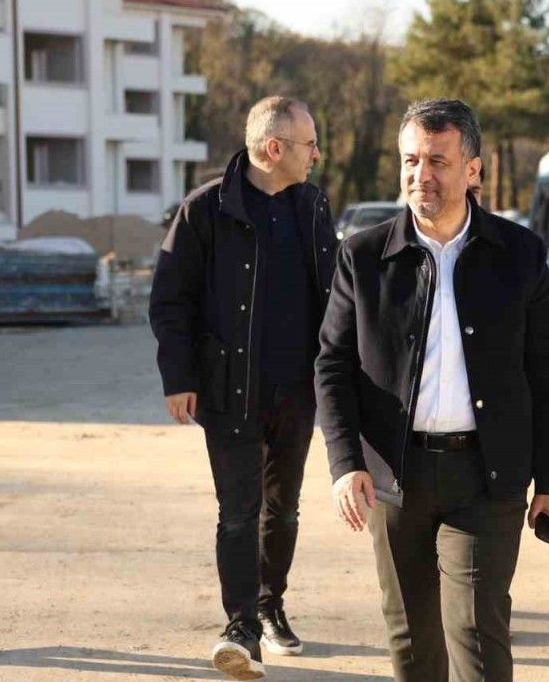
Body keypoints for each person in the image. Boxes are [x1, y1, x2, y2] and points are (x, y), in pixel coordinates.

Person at [316, 98, 549, 682]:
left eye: (437, 160)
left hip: (487, 476)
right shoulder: (362, 256)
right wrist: (345, 462)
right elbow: (332, 366)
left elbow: (546, 373)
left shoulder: (519, 255)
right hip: (394, 475)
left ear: (472, 169)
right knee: (412, 641)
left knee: (479, 634)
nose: (420, 175)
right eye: (411, 160)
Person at [149, 95, 336, 680]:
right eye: (309, 144)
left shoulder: (313, 205)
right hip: (229, 388)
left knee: (283, 511)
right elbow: (170, 300)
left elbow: (334, 295)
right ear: (274, 148)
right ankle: (241, 626)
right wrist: (179, 377)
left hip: (297, 390)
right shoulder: (205, 210)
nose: (316, 155)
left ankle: (270, 604)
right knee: (237, 513)